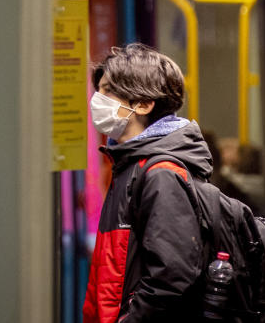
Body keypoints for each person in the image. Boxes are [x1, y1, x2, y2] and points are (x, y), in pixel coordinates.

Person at [83, 43, 210, 323]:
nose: (97, 99)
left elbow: (172, 276)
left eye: (107, 91)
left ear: (143, 104)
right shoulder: (129, 165)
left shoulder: (161, 174)